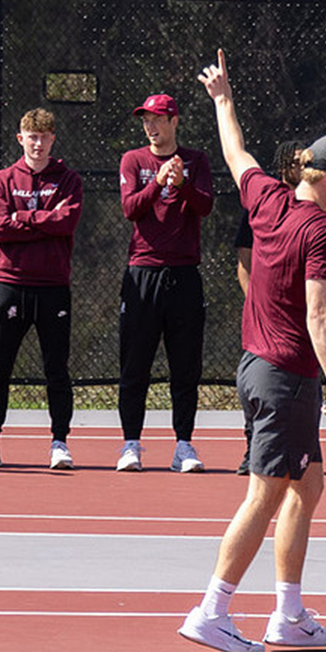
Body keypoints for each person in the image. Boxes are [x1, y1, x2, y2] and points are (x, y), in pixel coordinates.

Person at [179, 50, 326, 652]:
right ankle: (211, 610)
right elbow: (320, 311)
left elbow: (236, 153)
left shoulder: (267, 198)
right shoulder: (324, 229)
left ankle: (288, 616)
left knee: (308, 485)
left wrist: (223, 101)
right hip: (286, 377)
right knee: (265, 493)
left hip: (257, 368)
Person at [0, 108, 82, 470]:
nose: (38, 143)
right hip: (9, 283)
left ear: (53, 139)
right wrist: (43, 219)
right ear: (20, 139)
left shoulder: (69, 180)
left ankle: (59, 443)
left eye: (45, 136)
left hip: (52, 287)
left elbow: (68, 221)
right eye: (32, 136)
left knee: (56, 369)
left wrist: (23, 218)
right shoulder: (2, 180)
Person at [115, 93, 215, 474]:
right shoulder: (133, 160)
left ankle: (184, 446)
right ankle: (130, 445)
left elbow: (205, 205)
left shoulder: (197, 160)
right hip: (142, 274)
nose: (151, 127)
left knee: (185, 366)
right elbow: (130, 209)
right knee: (134, 364)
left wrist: (183, 183)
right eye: (146, 120)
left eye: (158, 119)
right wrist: (157, 183)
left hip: (185, 275)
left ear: (175, 120)